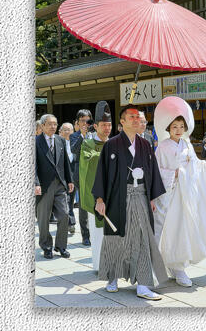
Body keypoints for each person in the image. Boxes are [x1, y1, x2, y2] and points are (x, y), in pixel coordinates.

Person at [91, 105, 168, 300]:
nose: (136, 120)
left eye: (138, 117)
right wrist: (100, 199)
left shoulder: (145, 144)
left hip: (140, 195)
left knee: (143, 237)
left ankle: (143, 284)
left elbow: (152, 173)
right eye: (131, 117)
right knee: (116, 237)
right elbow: (102, 173)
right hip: (118, 196)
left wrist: (150, 197)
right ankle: (112, 277)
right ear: (122, 122)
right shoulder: (112, 145)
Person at [152, 96, 206, 287]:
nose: (178, 130)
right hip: (169, 195)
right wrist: (175, 173)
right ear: (168, 128)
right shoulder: (162, 147)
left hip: (186, 195)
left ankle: (179, 266)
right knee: (168, 230)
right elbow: (156, 170)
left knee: (183, 230)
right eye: (174, 126)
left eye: (181, 126)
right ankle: (168, 266)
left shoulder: (187, 145)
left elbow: (197, 165)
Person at [78, 102, 112, 270]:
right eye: (104, 125)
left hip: (114, 195)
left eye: (109, 125)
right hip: (96, 195)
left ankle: (113, 262)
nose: (107, 128)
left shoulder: (114, 144)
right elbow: (89, 171)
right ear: (96, 126)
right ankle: (100, 264)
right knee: (98, 232)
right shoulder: (88, 145)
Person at [34, 114, 74, 259]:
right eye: (50, 124)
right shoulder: (35, 142)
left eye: (55, 124)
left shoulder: (61, 140)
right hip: (43, 186)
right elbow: (33, 166)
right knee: (43, 219)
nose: (53, 127)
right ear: (43, 126)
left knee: (64, 215)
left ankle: (61, 246)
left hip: (60, 185)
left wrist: (70, 180)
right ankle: (46, 247)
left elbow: (65, 163)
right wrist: (36, 183)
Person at [69, 110, 93, 247]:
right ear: (77, 122)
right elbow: (74, 150)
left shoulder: (95, 135)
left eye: (88, 120)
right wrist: (82, 136)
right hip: (81, 173)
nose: (85, 123)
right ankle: (86, 235)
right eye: (82, 121)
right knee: (84, 205)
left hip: (95, 172)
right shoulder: (74, 136)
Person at [59, 122, 76, 235]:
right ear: (60, 132)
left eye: (69, 129)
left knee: (71, 201)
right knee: (66, 201)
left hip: (75, 177)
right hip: (63, 178)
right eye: (65, 130)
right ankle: (71, 223)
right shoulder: (58, 143)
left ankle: (69, 223)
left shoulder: (76, 142)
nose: (67, 132)